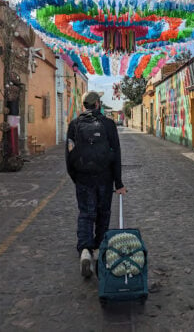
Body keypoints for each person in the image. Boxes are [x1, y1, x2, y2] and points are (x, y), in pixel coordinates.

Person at [66, 91, 126, 278]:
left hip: (83, 178)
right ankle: (99, 249)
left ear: (84, 105)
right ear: (98, 104)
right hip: (105, 178)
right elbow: (116, 155)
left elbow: (69, 156)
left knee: (86, 214)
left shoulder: (74, 125)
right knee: (103, 213)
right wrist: (119, 183)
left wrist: (76, 177)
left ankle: (85, 251)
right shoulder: (108, 124)